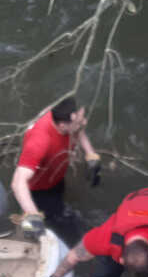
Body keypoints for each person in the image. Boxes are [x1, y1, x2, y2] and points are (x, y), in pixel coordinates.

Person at [10, 96, 100, 243]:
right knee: (54, 224)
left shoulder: (63, 117)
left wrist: (91, 155)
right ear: (63, 125)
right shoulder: (39, 142)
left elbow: (79, 130)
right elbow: (18, 182)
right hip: (38, 189)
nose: (85, 122)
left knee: (59, 205)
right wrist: (34, 217)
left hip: (55, 175)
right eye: (80, 121)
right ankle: (29, 237)